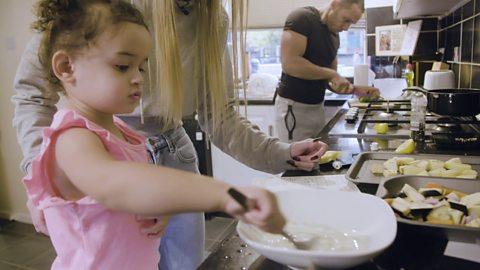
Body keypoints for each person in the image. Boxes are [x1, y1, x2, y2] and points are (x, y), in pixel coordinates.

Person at [12, 0, 328, 269]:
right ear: (66, 66)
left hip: (172, 150)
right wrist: (230, 196)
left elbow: (220, 117)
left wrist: (280, 152)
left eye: (143, 67)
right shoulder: (76, 140)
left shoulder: (126, 136)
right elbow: (115, 184)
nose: (139, 79)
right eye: (124, 66)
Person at [274, 0, 379, 142]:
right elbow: (290, 63)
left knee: (315, 160)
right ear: (335, 4)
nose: (347, 28)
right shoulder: (302, 18)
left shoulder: (334, 37)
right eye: (346, 20)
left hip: (317, 107)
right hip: (294, 107)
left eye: (351, 23)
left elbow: (330, 81)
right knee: (296, 162)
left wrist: (355, 90)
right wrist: (332, 74)